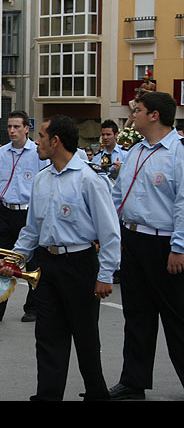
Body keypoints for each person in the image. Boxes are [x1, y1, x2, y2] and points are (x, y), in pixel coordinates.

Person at [0, 114, 120, 401]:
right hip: (47, 265)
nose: (37, 142)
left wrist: (105, 275)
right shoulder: (42, 179)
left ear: (55, 141)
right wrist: (13, 260)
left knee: (85, 335)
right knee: (48, 336)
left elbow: (110, 231)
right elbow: (32, 230)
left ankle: (96, 393)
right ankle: (48, 395)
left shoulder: (89, 179)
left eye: (40, 136)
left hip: (80, 264)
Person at [108, 91, 184, 400]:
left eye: (138, 110)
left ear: (154, 115)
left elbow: (182, 204)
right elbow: (117, 195)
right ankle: (134, 381)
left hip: (165, 243)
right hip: (133, 240)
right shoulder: (136, 151)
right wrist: (110, 231)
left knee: (177, 318)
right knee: (136, 315)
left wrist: (179, 247)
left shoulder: (178, 153)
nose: (133, 115)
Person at [0, 110, 49, 323]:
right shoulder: (3, 153)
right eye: (9, 127)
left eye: (16, 127)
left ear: (26, 128)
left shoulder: (37, 152)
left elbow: (45, 186)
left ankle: (33, 307)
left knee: (32, 261)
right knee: (0, 261)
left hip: (29, 214)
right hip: (6, 213)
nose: (12, 131)